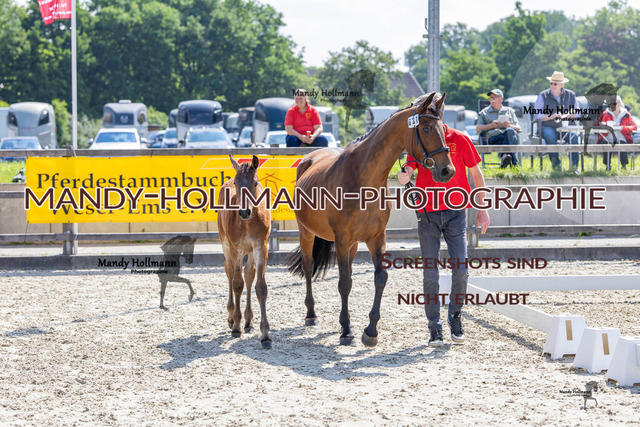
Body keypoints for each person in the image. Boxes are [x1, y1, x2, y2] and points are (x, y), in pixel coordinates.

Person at [398, 124, 490, 347]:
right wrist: (405, 175)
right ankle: (434, 326)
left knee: (461, 270)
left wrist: (483, 208)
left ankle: (455, 315)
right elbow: (409, 167)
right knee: (430, 273)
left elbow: (476, 173)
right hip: (427, 212)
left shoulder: (459, 138)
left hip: (456, 212)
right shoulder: (420, 139)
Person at [533, 71, 580, 170]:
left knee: (574, 137)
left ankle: (574, 168)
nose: (552, 86)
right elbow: (537, 115)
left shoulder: (571, 95)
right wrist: (551, 116)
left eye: (555, 84)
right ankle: (556, 166)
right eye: (551, 83)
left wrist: (570, 114)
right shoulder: (543, 95)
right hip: (548, 125)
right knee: (550, 136)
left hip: (566, 127)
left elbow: (578, 113)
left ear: (562, 85)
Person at [476, 88, 521, 168]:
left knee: (510, 131)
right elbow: (478, 128)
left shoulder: (510, 111)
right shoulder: (484, 112)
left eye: (495, 97)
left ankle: (505, 156)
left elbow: (518, 127)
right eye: (491, 97)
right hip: (494, 138)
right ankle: (514, 162)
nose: (492, 99)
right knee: (512, 138)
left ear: (501, 98)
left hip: (508, 135)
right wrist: (491, 125)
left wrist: (509, 126)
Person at [595, 95, 637, 169]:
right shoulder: (605, 113)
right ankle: (607, 166)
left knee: (622, 143)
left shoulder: (626, 114)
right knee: (606, 143)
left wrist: (622, 128)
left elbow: (634, 127)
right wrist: (605, 126)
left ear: (620, 103)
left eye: (616, 102)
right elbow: (597, 125)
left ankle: (624, 166)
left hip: (622, 136)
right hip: (608, 136)